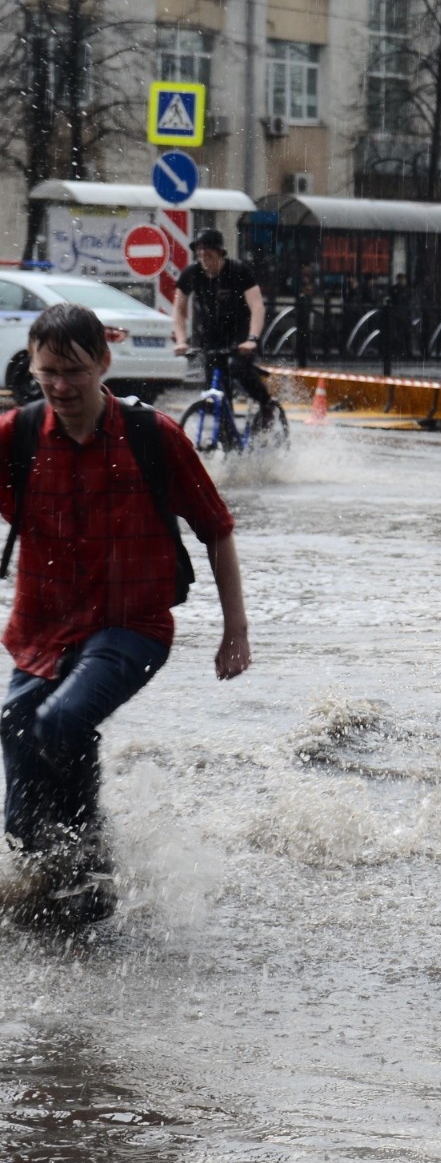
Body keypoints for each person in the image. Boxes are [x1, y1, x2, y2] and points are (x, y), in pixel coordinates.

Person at [1, 305, 250, 927]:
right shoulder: (18, 435)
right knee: (15, 729)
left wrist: (234, 631)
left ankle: (92, 862)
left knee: (61, 722)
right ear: (32, 367)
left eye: (75, 371)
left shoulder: (152, 435)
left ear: (103, 365)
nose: (61, 386)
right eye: (48, 371)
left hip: (131, 625)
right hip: (42, 628)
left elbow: (216, 529)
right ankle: (42, 873)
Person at [171, 228, 274, 419]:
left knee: (238, 366)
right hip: (210, 339)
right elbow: (179, 309)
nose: (203, 255)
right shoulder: (191, 273)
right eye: (199, 250)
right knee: (217, 393)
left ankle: (266, 404)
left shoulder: (238, 271)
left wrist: (252, 339)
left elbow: (257, 306)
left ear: (220, 251)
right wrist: (181, 340)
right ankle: (228, 442)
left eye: (208, 250)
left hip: (240, 336)